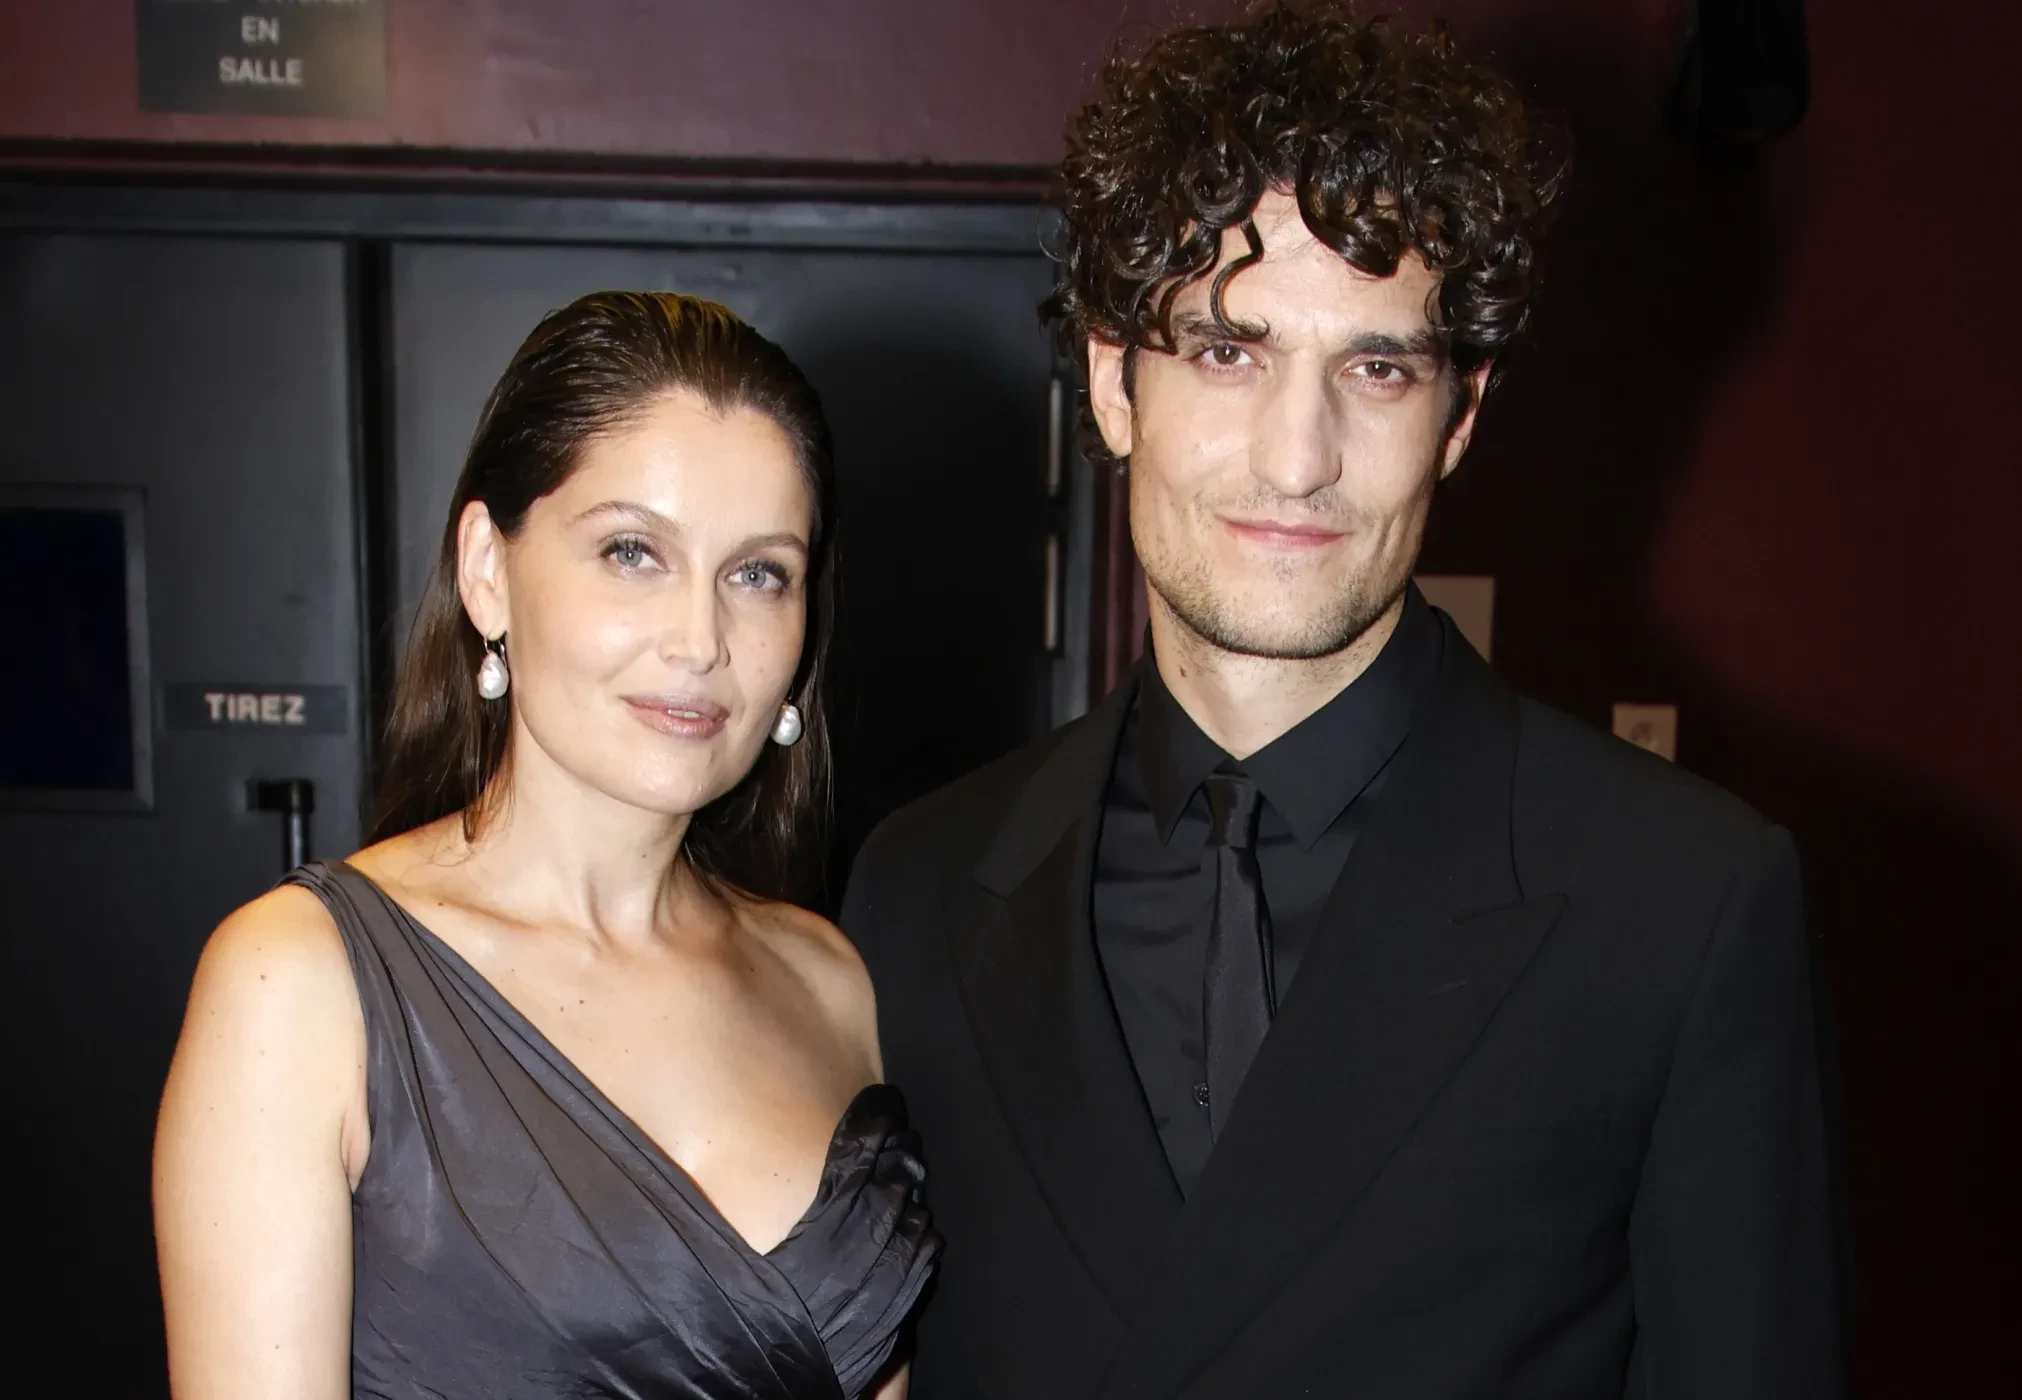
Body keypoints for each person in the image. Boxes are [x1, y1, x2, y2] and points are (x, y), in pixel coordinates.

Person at [841, 7, 1847, 1398]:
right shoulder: (916, 889)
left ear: (1459, 413)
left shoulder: (1683, 902)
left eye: (1376, 369)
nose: (1297, 457)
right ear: (1112, 382)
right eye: (1227, 351)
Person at [154, 292, 937, 1400]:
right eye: (632, 551)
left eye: (758, 572)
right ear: (488, 569)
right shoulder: (298, 984)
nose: (700, 639)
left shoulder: (831, 980)